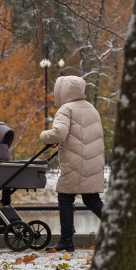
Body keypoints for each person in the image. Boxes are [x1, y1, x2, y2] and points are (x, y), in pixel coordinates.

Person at [40, 75, 105, 252]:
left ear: (61, 91)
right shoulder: (92, 108)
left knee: (65, 198)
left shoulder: (65, 109)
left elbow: (59, 133)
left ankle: (67, 240)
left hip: (76, 163)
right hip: (92, 162)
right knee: (91, 199)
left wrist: (44, 136)